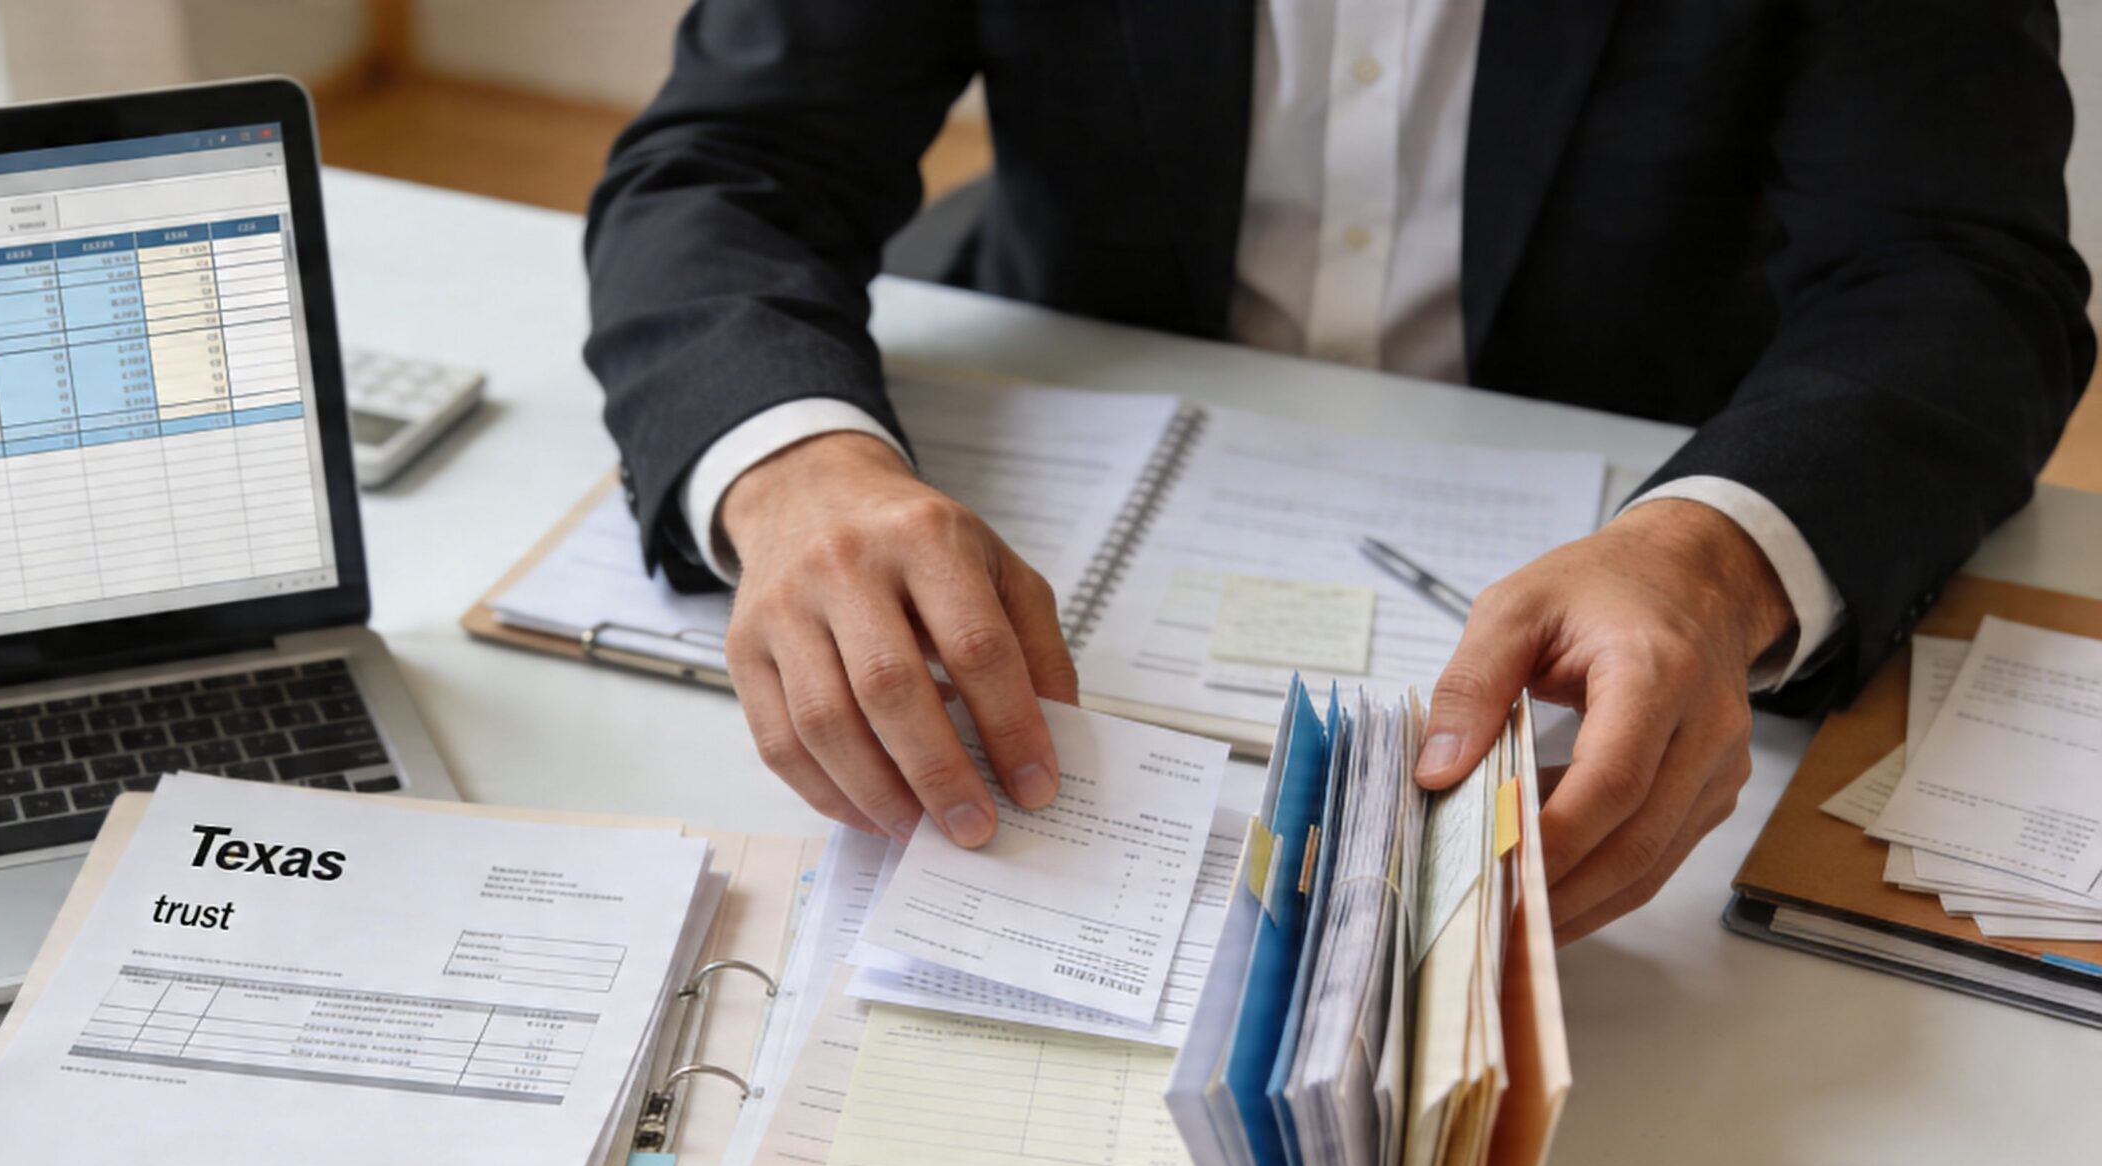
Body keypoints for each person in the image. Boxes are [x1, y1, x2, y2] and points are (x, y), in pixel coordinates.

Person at [581, 1, 2093, 941]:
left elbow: (1959, 272)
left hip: (1639, 500)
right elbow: (727, 160)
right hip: (1093, 462)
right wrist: (796, 470)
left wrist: (1712, 557)